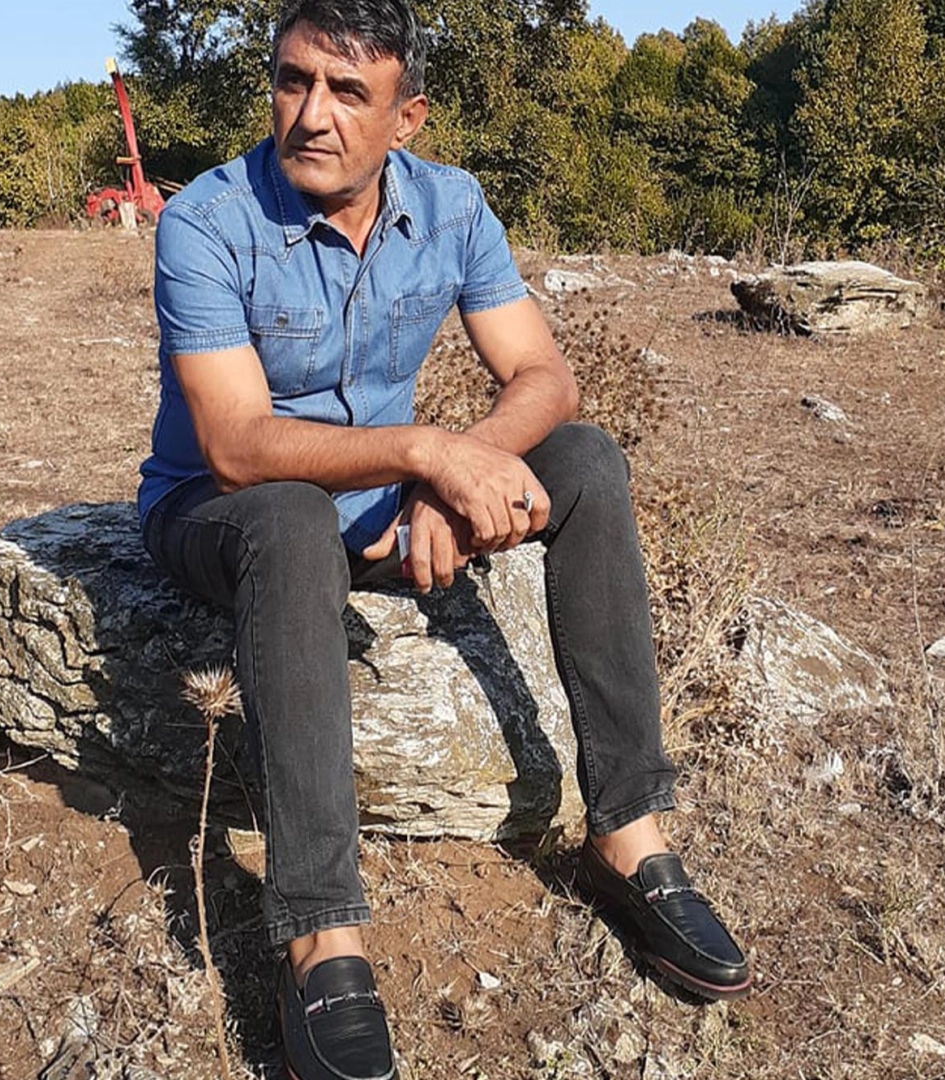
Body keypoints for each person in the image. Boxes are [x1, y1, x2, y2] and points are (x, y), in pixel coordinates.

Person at [137, 1, 752, 1076]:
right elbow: (235, 446)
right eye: (292, 81)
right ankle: (321, 935)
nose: (311, 114)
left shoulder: (452, 206)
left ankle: (628, 837)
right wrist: (427, 454)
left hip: (379, 499)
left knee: (585, 462)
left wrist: (453, 475)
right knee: (289, 517)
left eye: (347, 92)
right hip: (219, 512)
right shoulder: (208, 219)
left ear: (406, 117)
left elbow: (542, 376)